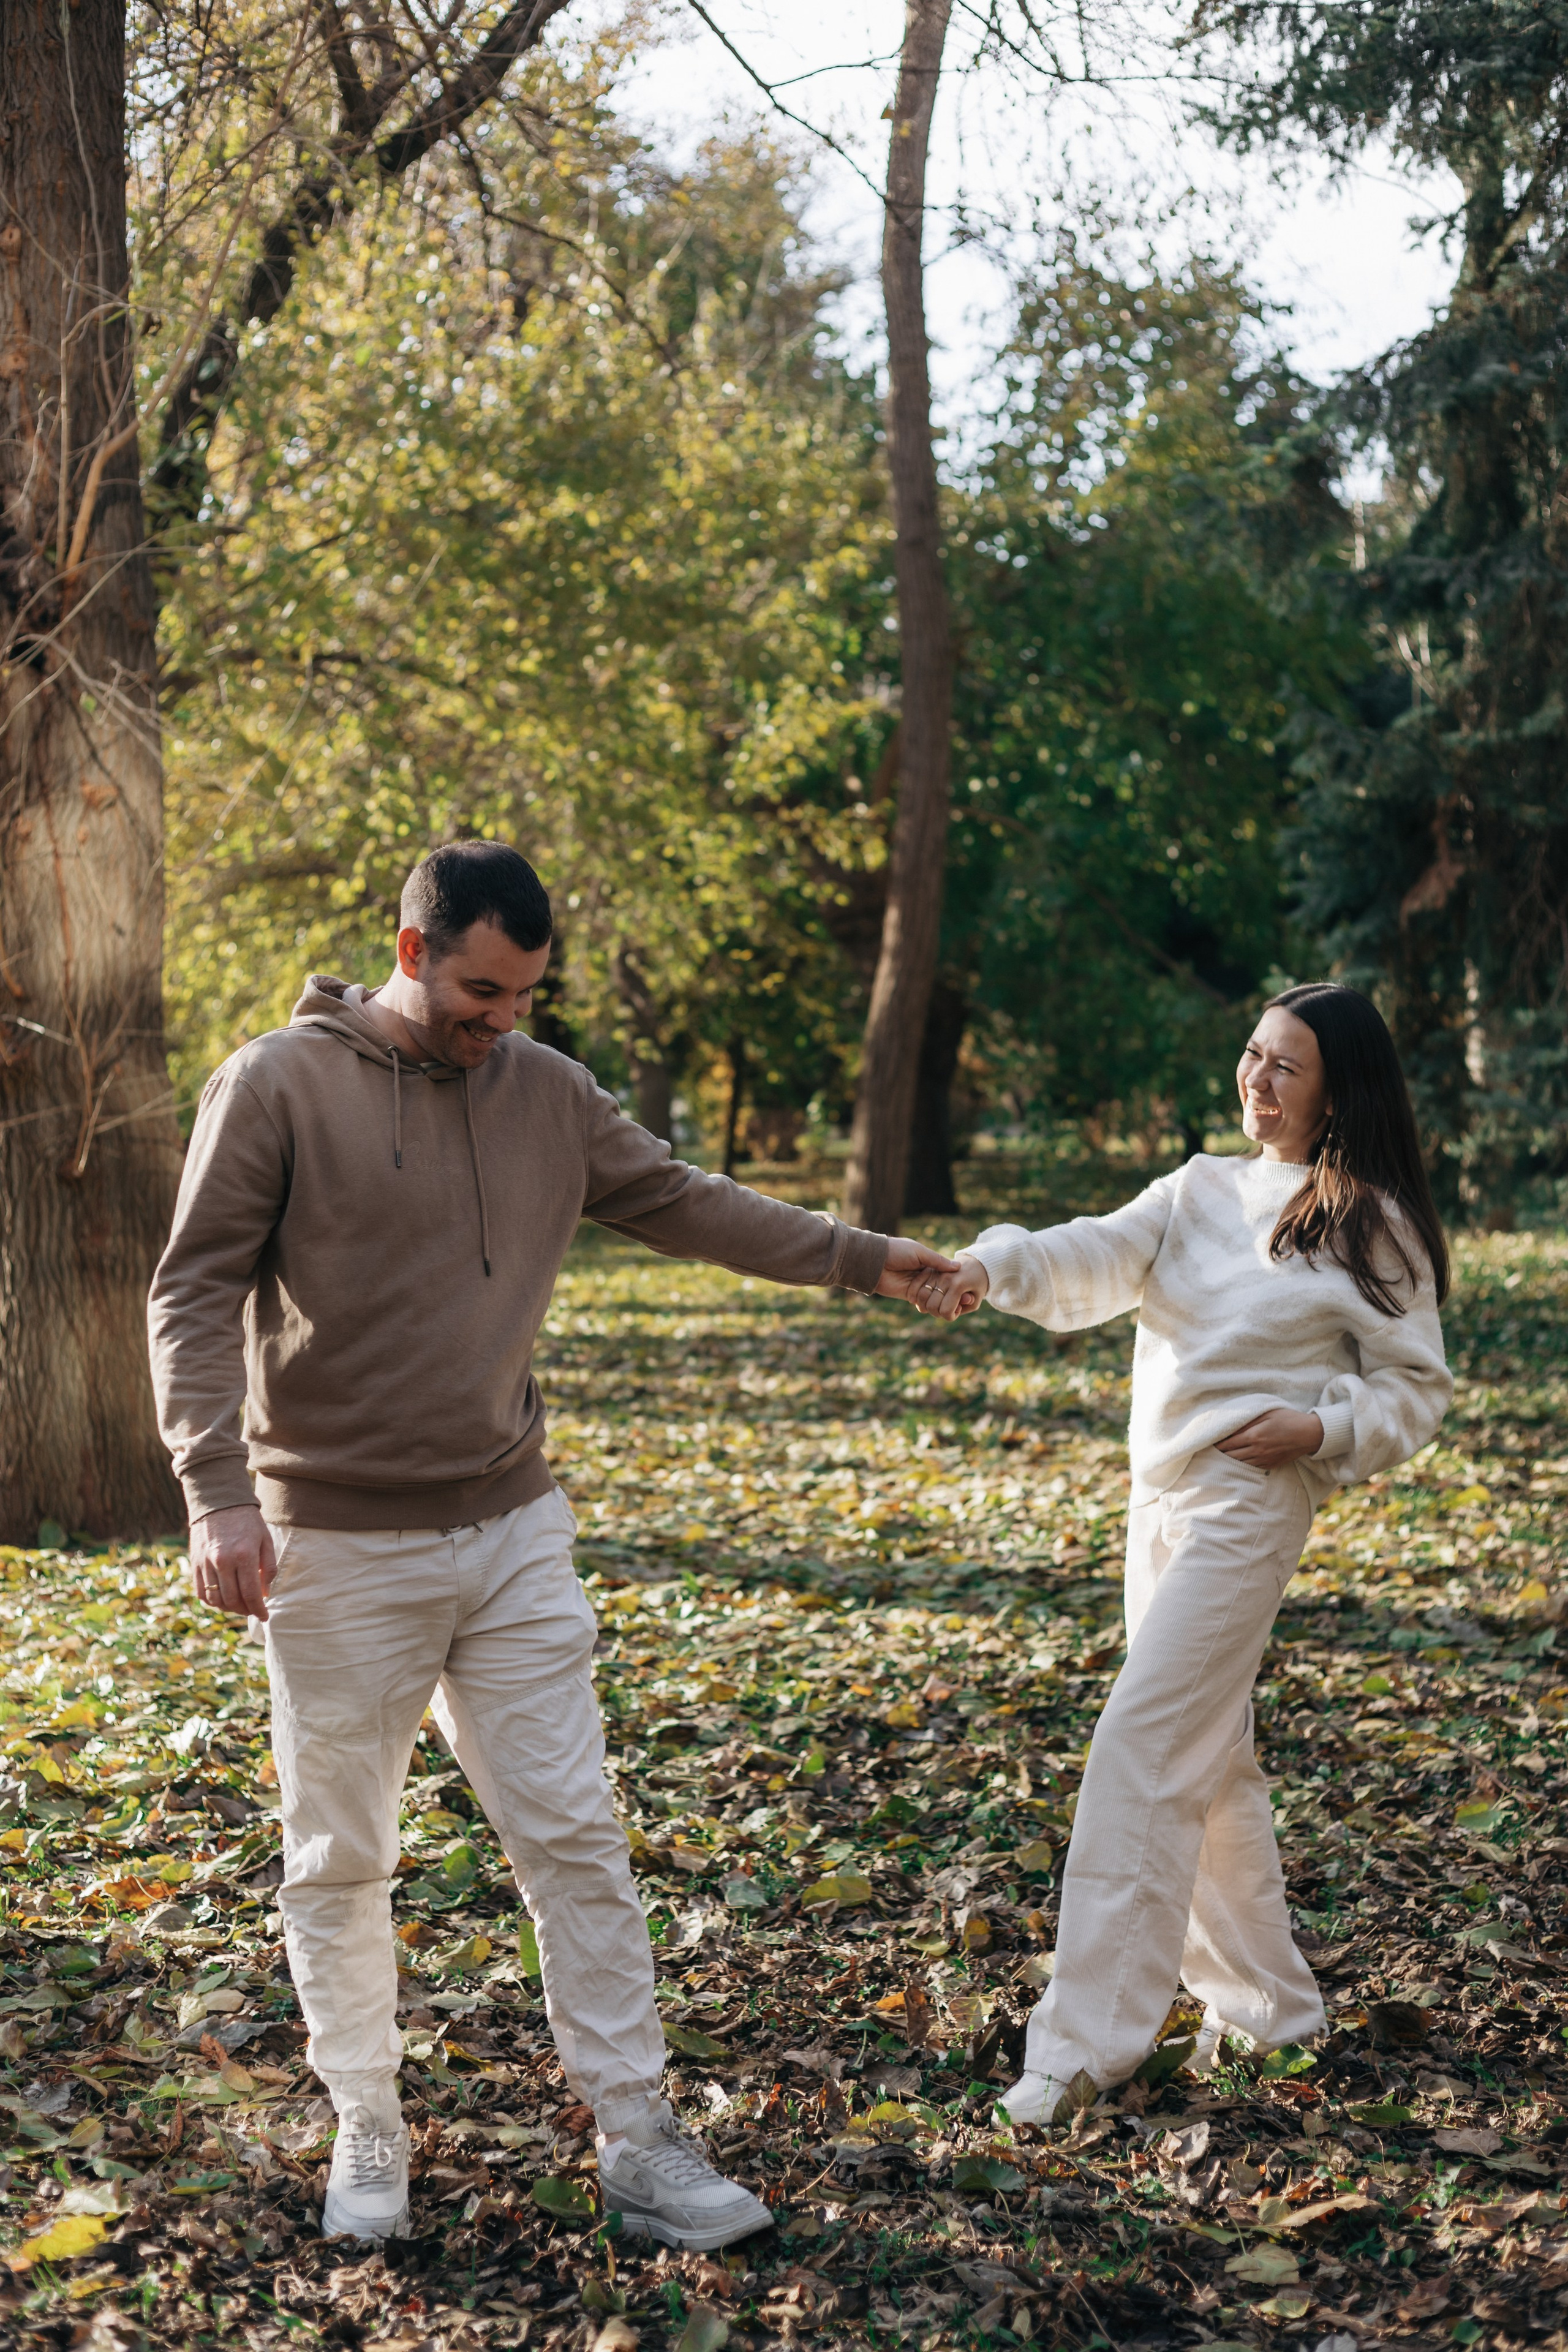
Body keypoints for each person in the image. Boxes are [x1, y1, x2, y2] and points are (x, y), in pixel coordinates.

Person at [148, 841, 957, 2245]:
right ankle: (368, 2125)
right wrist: (214, 1487)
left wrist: (853, 1254)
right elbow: (194, 1286)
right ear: (410, 954)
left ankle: (639, 2140)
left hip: (511, 1526)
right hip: (333, 1540)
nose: (501, 1019)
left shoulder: (546, 1092)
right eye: (478, 990)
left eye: (524, 994)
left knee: (574, 1834)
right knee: (340, 1853)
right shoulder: (276, 1083)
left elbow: (687, 1199)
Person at [906, 984, 1453, 2122]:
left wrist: (1321, 1428)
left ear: (1337, 1089)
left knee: (1142, 1745)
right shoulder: (1198, 1187)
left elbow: (1415, 1387)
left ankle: (1079, 2049)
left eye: (1285, 1067)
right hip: (1157, 1503)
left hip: (1249, 1505)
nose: (1256, 1079)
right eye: (1252, 1056)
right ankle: (1269, 2012)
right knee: (1210, 1761)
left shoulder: (1369, 1221)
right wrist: (988, 1267)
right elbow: (1094, 1254)